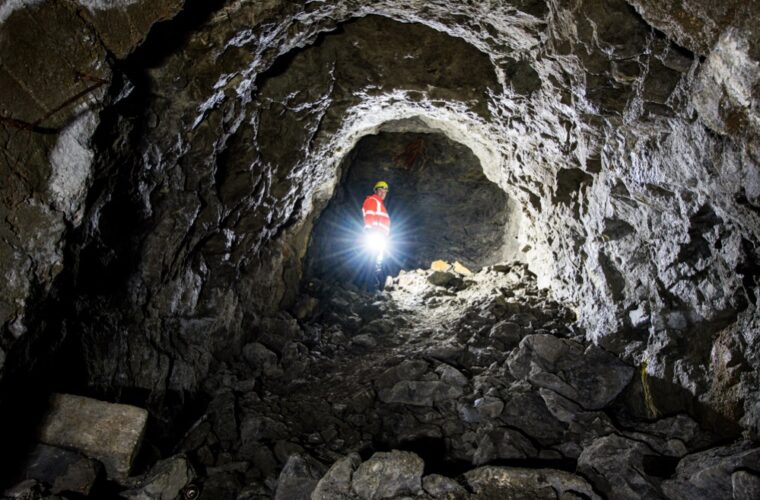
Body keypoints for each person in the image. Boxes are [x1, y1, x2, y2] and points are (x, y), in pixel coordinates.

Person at [362, 181, 391, 290]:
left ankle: (372, 286)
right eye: (381, 190)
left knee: (377, 261)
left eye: (385, 191)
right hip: (374, 235)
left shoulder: (380, 204)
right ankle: (369, 287)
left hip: (380, 237)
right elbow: (369, 215)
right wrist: (370, 231)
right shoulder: (372, 200)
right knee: (372, 261)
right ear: (376, 190)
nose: (383, 193)